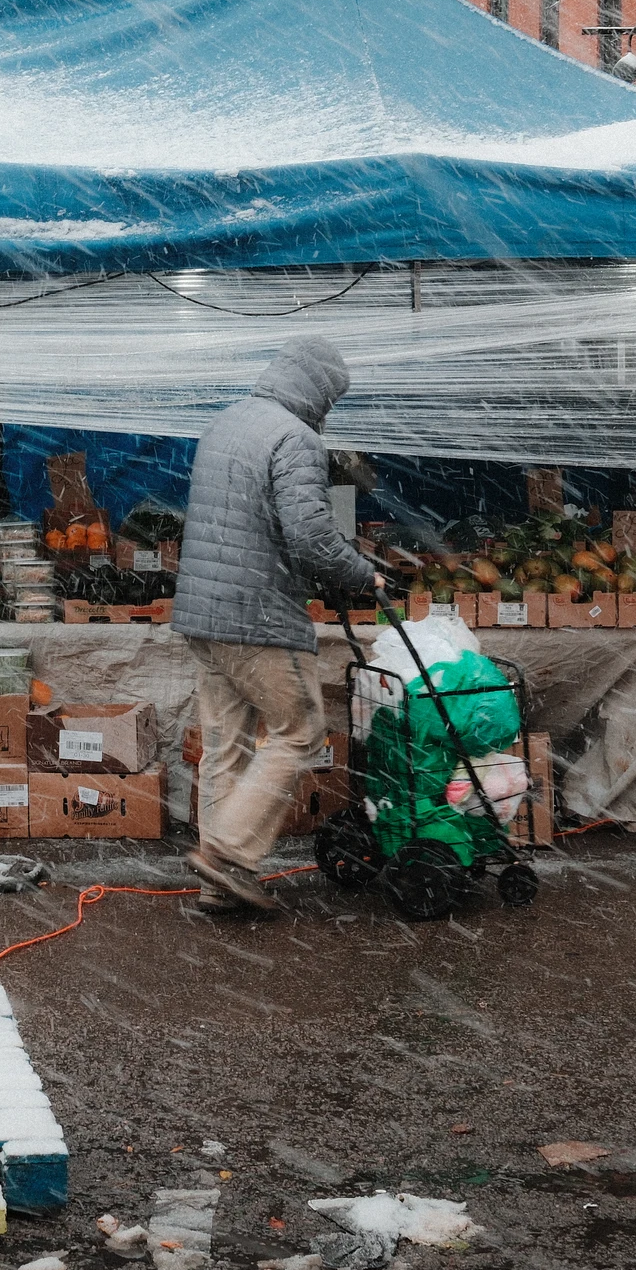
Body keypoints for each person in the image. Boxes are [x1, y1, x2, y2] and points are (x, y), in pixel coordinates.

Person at [173, 338, 382, 913]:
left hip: (202, 612)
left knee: (225, 745)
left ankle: (217, 887)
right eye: (331, 398)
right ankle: (228, 854)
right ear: (317, 389)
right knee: (300, 731)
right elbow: (311, 536)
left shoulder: (225, 424)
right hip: (255, 615)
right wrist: (363, 574)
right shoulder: (297, 439)